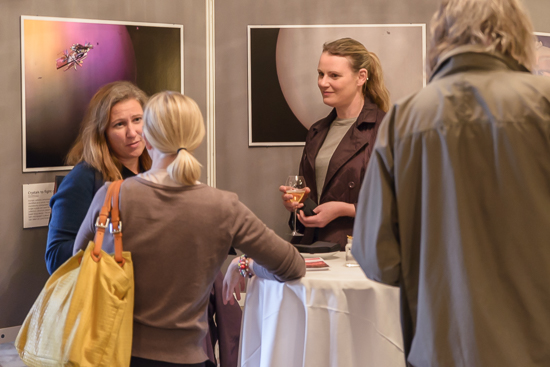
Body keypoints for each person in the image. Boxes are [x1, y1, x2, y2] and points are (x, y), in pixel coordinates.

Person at [351, 0, 550, 366]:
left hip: (441, 347)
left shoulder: (404, 120)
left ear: (441, 38)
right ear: (519, 35)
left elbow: (377, 256)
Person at [73, 91, 305, 367]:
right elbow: (293, 266)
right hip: (189, 359)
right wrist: (246, 265)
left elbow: (79, 265)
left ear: (146, 138)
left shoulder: (112, 197)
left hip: (115, 356)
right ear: (197, 138)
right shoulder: (224, 206)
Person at [279, 37, 390, 250]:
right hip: (313, 248)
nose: (323, 82)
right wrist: (296, 206)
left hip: (362, 250)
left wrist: (345, 209)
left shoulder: (387, 129)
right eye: (320, 74)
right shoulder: (317, 131)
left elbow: (404, 202)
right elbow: (311, 195)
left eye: (334, 76)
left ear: (361, 77)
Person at [46, 81, 151, 275]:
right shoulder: (84, 177)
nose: (132, 132)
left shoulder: (155, 170)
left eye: (137, 119)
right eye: (120, 124)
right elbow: (55, 258)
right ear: (102, 133)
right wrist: (110, 241)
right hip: (107, 295)